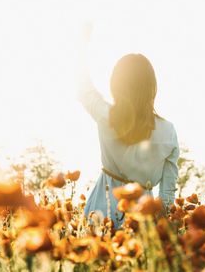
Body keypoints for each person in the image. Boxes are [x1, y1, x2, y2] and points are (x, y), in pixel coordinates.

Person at [77, 24, 179, 227]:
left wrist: (81, 45)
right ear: (152, 88)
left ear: (116, 85)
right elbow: (167, 195)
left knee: (96, 257)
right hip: (141, 220)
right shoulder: (168, 132)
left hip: (101, 209)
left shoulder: (106, 116)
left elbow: (83, 88)